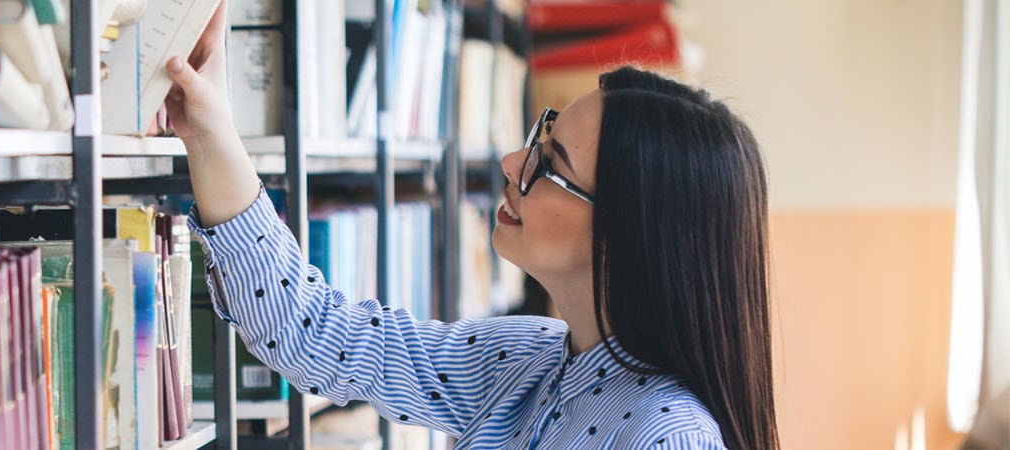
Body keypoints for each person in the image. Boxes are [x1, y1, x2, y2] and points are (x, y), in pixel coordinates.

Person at [161, 6, 778, 449]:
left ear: (629, 233)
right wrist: (210, 128)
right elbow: (316, 335)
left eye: (550, 163)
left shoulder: (669, 435)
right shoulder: (527, 357)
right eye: (541, 134)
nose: (514, 162)